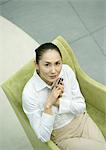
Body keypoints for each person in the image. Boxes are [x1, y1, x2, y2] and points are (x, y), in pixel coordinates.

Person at [22, 43, 106, 150]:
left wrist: (59, 103)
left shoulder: (66, 71)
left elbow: (81, 106)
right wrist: (49, 105)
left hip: (83, 120)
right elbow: (43, 137)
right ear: (36, 65)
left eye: (57, 63)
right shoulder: (30, 94)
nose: (54, 70)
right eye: (47, 65)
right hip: (63, 136)